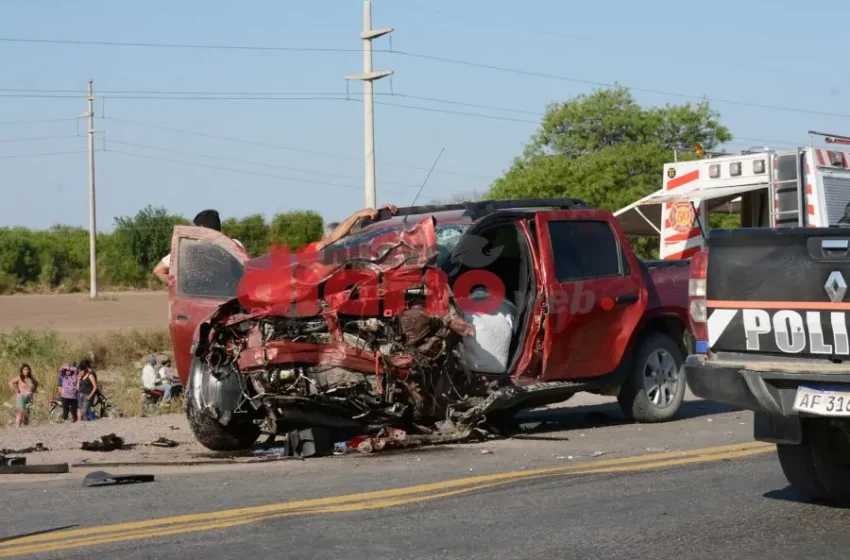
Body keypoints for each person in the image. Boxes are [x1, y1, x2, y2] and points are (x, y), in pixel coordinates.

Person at [153, 209, 245, 284]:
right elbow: (249, 270)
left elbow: (159, 271)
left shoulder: (188, 248)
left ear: (202, 228)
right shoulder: (235, 245)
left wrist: (179, 289)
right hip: (231, 301)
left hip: (197, 301)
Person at [301, 204, 398, 252]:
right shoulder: (312, 253)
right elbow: (331, 238)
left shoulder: (350, 253)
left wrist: (381, 213)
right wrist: (356, 215)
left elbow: (363, 232)